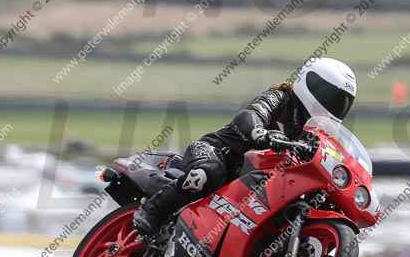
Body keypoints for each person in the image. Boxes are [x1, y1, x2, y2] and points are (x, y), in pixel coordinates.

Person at [133, 58, 358, 236]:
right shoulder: (280, 97)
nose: (337, 106)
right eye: (333, 97)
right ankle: (152, 211)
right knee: (208, 174)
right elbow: (249, 115)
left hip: (253, 184)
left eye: (343, 103)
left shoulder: (316, 133)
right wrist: (259, 132)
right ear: (314, 85)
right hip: (218, 153)